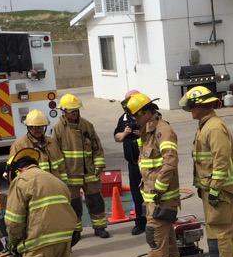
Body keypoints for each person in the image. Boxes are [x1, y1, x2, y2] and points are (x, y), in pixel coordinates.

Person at [182, 85, 233, 257]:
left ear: (202, 106)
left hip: (219, 190)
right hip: (210, 189)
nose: (190, 110)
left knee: (221, 231)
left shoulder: (214, 127)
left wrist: (216, 188)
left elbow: (221, 160)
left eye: (192, 106)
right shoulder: (205, 125)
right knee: (216, 229)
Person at [126, 92, 182, 257]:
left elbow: (170, 162)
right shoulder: (147, 132)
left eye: (136, 116)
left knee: (155, 236)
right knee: (167, 233)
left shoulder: (162, 131)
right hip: (152, 197)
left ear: (147, 112)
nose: (135, 120)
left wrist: (158, 188)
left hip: (161, 197)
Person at [52, 93, 110, 239]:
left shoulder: (87, 126)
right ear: (64, 112)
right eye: (72, 111)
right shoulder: (58, 129)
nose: (75, 113)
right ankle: (76, 231)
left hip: (90, 172)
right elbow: (55, 153)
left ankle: (100, 227)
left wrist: (99, 166)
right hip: (71, 174)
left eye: (77, 110)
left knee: (95, 200)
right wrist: (61, 174)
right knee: (74, 204)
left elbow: (97, 148)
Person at [113, 91, 148, 236]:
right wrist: (126, 133)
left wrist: (142, 133)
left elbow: (157, 135)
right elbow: (117, 137)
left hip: (148, 164)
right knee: (136, 194)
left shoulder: (147, 116)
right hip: (133, 164)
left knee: (150, 194)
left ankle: (153, 221)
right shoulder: (124, 118)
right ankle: (139, 223)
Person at [10, 108, 65, 177]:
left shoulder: (52, 142)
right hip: (34, 186)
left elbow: (61, 166)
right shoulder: (19, 146)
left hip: (54, 185)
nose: (37, 130)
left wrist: (63, 184)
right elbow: (13, 172)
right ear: (28, 127)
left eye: (40, 127)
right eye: (34, 127)